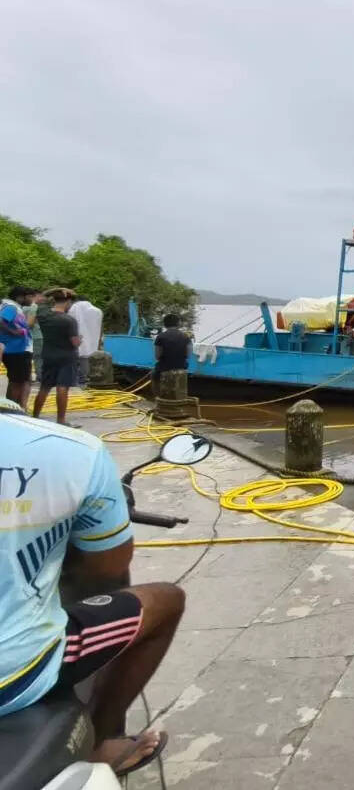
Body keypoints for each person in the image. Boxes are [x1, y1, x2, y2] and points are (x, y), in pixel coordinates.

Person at [0, 399, 185, 775]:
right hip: (14, 675)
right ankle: (98, 742)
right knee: (166, 601)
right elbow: (109, 567)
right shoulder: (73, 451)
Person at [32, 290, 80, 425]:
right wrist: (80, 340)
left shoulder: (44, 316)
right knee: (62, 387)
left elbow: (41, 298)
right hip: (66, 357)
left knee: (44, 387)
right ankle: (61, 420)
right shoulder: (69, 320)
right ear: (68, 302)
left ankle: (35, 415)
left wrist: (54, 291)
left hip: (48, 355)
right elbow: (75, 342)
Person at [1, 286, 37, 410]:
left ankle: (19, 407)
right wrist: (14, 332)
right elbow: (1, 320)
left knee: (22, 380)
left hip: (18, 349)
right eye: (29, 296)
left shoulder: (12, 306)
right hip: (16, 349)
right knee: (17, 382)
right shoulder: (11, 307)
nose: (32, 299)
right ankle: (10, 409)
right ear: (20, 297)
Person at [69, 296, 104, 386]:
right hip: (94, 341)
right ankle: (87, 380)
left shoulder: (75, 308)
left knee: (80, 360)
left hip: (78, 340)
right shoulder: (98, 311)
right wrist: (100, 341)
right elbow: (100, 328)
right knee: (89, 359)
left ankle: (80, 380)